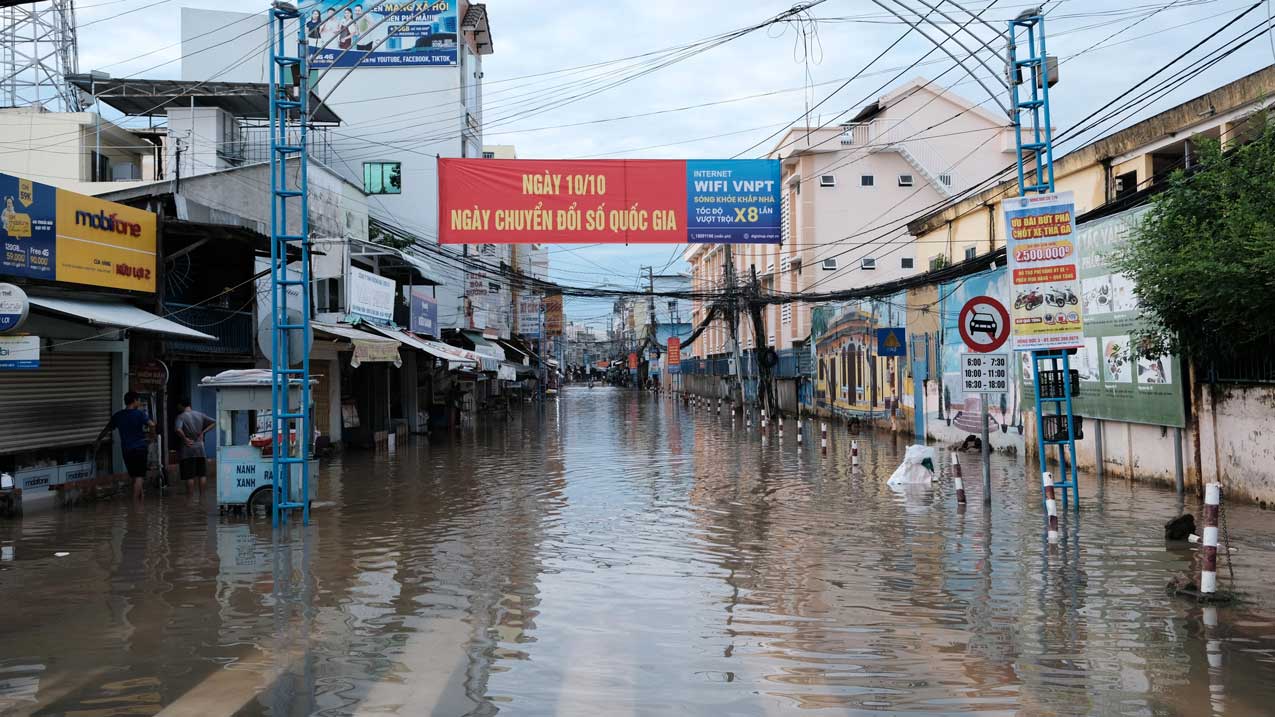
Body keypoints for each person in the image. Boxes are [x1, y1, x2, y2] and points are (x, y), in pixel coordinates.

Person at [93, 391, 155, 501]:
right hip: (140, 448)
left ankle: (141, 501)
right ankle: (135, 504)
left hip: (127, 450)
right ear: (135, 401)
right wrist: (151, 437)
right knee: (139, 476)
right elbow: (152, 424)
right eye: (138, 400)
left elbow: (106, 429)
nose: (139, 402)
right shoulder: (139, 414)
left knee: (135, 477)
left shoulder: (118, 415)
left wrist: (98, 440)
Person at [174, 398, 215, 494]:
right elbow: (214, 422)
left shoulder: (181, 417)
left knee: (189, 476)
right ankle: (202, 497)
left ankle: (190, 498)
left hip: (188, 450)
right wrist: (203, 433)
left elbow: (178, 429)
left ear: (181, 405)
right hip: (201, 449)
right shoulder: (200, 414)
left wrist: (185, 439)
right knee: (202, 475)